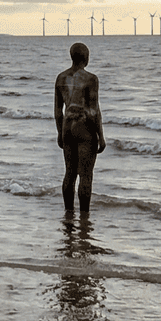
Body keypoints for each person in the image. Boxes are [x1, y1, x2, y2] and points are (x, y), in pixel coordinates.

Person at [55, 42, 106, 218]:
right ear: (86, 57)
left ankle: (69, 213)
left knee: (69, 173)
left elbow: (57, 111)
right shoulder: (91, 79)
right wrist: (101, 135)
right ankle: (84, 216)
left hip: (67, 127)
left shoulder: (60, 78)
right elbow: (93, 111)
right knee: (85, 175)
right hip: (85, 128)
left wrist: (59, 133)